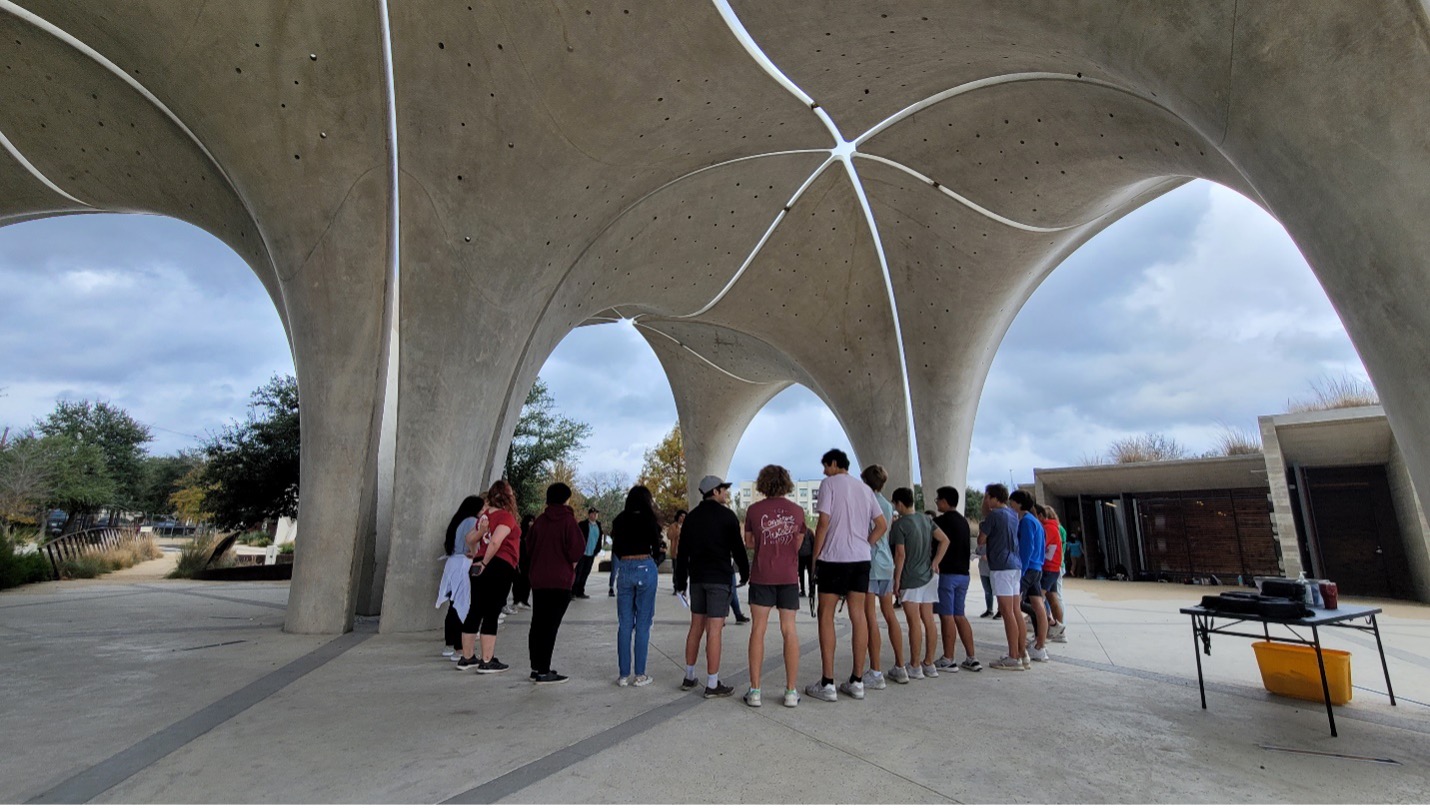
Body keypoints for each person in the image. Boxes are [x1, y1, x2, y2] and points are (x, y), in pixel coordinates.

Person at [806, 449, 886, 703]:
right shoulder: (864, 489)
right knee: (859, 615)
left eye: (825, 466)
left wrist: (815, 557)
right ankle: (857, 680)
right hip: (861, 559)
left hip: (833, 558)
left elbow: (823, 523)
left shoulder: (829, 484)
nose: (824, 471)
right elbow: (882, 524)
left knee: (826, 614)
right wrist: (866, 542)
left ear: (834, 463)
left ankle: (828, 682)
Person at [674, 475, 749, 698]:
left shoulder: (692, 518)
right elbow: (738, 549)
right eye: (723, 489)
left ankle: (689, 676)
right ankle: (713, 683)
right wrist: (745, 573)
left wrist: (680, 582)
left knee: (696, 627)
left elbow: (682, 553)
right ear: (714, 492)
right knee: (714, 630)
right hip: (718, 579)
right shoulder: (727, 517)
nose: (726, 493)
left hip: (697, 579)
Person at [741, 464, 805, 708]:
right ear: (786, 482)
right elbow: (797, 545)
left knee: (758, 630)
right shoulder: (797, 512)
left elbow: (749, 542)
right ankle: (790, 691)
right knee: (789, 630)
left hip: (762, 576)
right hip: (788, 577)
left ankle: (755, 691)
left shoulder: (754, 510)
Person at [456, 480, 521, 673]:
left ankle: (467, 658)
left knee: (475, 609)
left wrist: (476, 553)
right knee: (492, 612)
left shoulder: (484, 516)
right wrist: (485, 562)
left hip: (477, 564)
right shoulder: (506, 517)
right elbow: (495, 542)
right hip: (498, 565)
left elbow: (469, 538)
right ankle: (487, 659)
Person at [526, 483, 584, 683]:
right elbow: (577, 549)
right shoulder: (568, 521)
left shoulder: (540, 521)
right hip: (559, 581)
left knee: (538, 623)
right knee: (551, 625)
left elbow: (529, 548)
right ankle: (544, 670)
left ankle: (536, 667)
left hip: (539, 580)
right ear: (566, 499)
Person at [889, 486, 948, 680]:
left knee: (913, 622)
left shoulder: (900, 525)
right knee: (928, 620)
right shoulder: (927, 519)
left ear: (898, 503)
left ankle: (914, 665)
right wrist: (935, 562)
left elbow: (900, 554)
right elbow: (945, 540)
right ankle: (928, 663)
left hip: (910, 577)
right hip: (929, 575)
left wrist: (896, 580)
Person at [611, 485, 664, 686]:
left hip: (625, 568)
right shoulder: (649, 519)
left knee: (624, 623)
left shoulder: (619, 519)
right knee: (643, 623)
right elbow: (656, 545)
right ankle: (640, 674)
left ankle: (623, 674)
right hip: (645, 566)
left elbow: (616, 548)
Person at [860, 464, 904, 688]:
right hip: (886, 563)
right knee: (889, 615)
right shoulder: (887, 505)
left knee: (870, 617)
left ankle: (875, 671)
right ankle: (900, 666)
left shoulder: (866, 502)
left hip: (870, 563)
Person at [932, 487, 980, 672]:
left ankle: (948, 657)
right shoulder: (963, 522)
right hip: (963, 574)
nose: (936, 503)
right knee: (959, 615)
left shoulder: (939, 522)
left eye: (938, 500)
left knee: (946, 616)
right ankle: (971, 656)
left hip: (947, 574)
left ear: (945, 501)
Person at [980, 484, 1025, 671]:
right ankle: (1022, 653)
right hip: (1015, 564)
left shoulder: (994, 515)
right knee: (1015, 611)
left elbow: (981, 539)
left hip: (1001, 566)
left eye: (987, 497)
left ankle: (1013, 656)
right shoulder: (1013, 515)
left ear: (993, 497)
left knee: (1007, 612)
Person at [437, 495, 484, 659]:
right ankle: (459, 648)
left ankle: (449, 644)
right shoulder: (472, 521)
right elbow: (473, 543)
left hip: (453, 564)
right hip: (464, 563)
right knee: (462, 605)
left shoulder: (457, 520)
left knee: (453, 605)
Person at [1009, 490, 1049, 666]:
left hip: (1028, 568)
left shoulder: (1025, 521)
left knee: (1014, 606)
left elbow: (1027, 547)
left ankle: (1020, 649)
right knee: (1039, 606)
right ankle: (1040, 646)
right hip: (1038, 567)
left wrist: (1021, 570)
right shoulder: (1036, 521)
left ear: (1018, 503)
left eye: (1012, 502)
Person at [1038, 504, 1067, 643]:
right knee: (1053, 598)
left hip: (1048, 567)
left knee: (1038, 599)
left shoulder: (1048, 528)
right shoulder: (1056, 527)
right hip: (1054, 566)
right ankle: (1059, 629)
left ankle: (1050, 626)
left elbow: (1041, 545)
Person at [572, 507, 602, 599]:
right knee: (578, 572)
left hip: (591, 553)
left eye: (596, 514)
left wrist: (597, 550)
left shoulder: (598, 525)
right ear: (589, 514)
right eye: (593, 514)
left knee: (586, 572)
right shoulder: (583, 524)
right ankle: (572, 592)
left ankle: (580, 591)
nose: (595, 515)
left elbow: (599, 539)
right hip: (582, 553)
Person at [509, 513, 535, 610]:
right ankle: (517, 600)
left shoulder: (533, 533)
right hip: (520, 559)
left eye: (533, 521)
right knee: (517, 580)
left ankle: (524, 600)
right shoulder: (521, 533)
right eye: (530, 521)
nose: (531, 523)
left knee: (527, 581)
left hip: (529, 560)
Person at [667, 509, 686, 594]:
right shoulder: (673, 526)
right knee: (675, 570)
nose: (683, 518)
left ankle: (684, 588)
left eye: (684, 517)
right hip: (675, 552)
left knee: (684, 571)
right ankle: (676, 587)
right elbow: (669, 536)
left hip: (684, 552)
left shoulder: (687, 525)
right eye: (681, 516)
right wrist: (677, 531)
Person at [797, 524, 814, 597]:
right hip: (801, 556)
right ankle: (803, 590)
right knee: (802, 574)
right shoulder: (806, 532)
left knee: (810, 574)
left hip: (808, 556)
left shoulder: (809, 532)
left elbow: (813, 543)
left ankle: (811, 591)